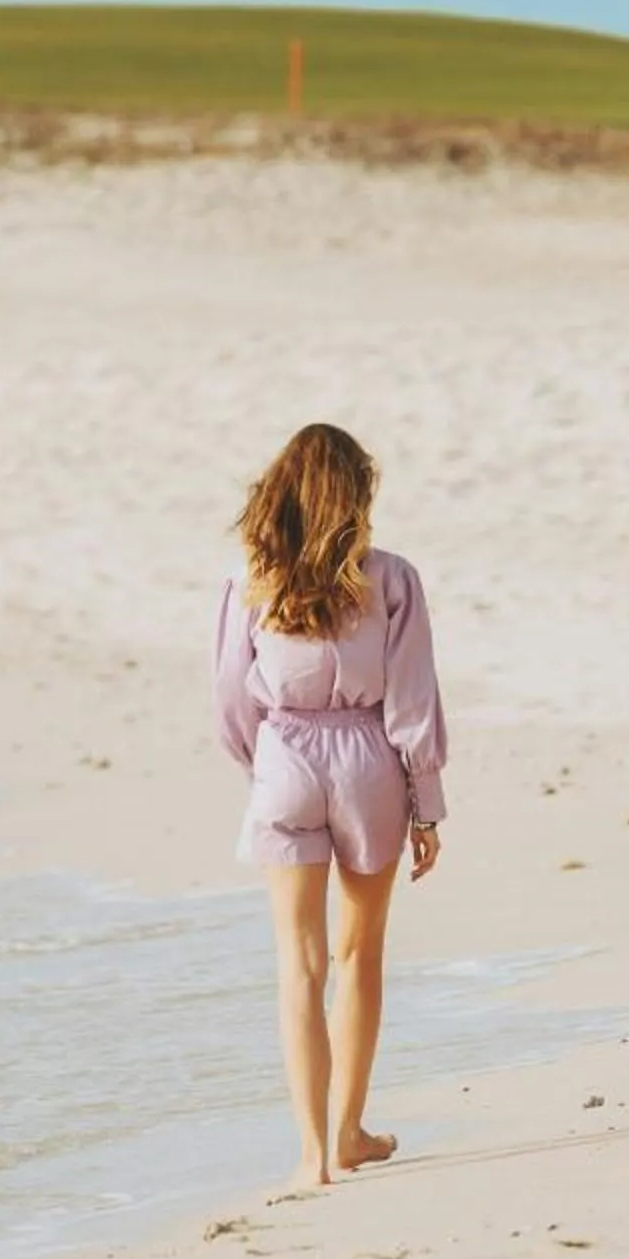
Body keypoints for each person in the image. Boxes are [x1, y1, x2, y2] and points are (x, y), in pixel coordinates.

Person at [212, 421, 446, 1187]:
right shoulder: (391, 578)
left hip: (284, 753)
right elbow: (411, 702)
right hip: (368, 759)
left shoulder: (253, 581)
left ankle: (312, 1156)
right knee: (358, 954)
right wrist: (427, 803)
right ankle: (349, 1131)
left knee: (299, 964)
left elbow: (228, 700)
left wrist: (267, 766)